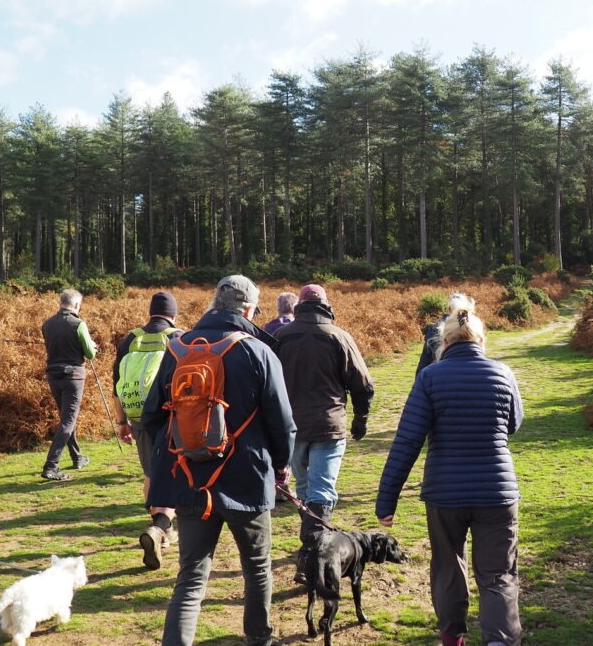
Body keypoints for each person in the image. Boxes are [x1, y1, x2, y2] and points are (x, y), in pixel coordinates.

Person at [142, 275, 295, 646]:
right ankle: (259, 639)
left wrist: (168, 463)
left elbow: (152, 418)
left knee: (191, 576)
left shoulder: (177, 348)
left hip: (190, 479)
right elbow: (283, 423)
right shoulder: (259, 352)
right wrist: (281, 466)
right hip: (248, 479)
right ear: (247, 310)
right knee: (257, 568)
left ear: (214, 303)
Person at [376, 306, 523, 646]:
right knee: (498, 574)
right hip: (497, 492)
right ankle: (499, 641)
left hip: (445, 493)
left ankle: (452, 639)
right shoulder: (503, 373)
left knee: (447, 567)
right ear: (481, 340)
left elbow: (408, 440)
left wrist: (387, 499)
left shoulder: (430, 378)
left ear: (443, 341)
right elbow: (513, 424)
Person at [273, 283, 374, 584]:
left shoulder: (279, 337)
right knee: (320, 491)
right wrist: (361, 418)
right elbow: (362, 384)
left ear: (299, 306)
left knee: (306, 491)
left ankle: (309, 553)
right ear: (326, 304)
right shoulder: (339, 336)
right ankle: (312, 561)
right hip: (329, 427)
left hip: (291, 428)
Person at [112, 291, 184, 570]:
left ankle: (161, 530)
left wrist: (122, 421)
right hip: (172, 416)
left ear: (150, 313)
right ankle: (162, 530)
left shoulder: (130, 339)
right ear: (173, 314)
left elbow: (116, 383)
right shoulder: (179, 337)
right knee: (177, 471)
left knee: (150, 473)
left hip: (139, 415)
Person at [39, 288, 98, 481]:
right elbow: (89, 354)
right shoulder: (78, 324)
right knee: (68, 421)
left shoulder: (47, 324)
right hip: (73, 376)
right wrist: (92, 346)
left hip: (53, 376)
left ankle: (77, 457)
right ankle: (51, 466)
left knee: (66, 418)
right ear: (76, 305)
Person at [416, 292, 476, 375]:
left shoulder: (435, 328)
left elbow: (425, 358)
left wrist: (418, 380)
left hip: (437, 374)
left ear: (449, 309)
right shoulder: (473, 327)